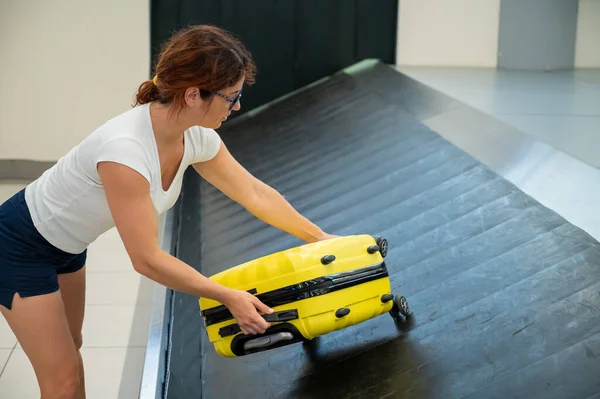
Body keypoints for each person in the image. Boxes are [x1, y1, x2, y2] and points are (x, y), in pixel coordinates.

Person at [0, 24, 337, 399]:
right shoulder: (125, 152)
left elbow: (255, 193)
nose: (238, 105)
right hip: (18, 246)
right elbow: (146, 260)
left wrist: (318, 237)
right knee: (60, 379)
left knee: (72, 345)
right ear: (194, 95)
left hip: (67, 246)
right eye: (232, 96)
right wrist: (226, 294)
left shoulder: (195, 136)